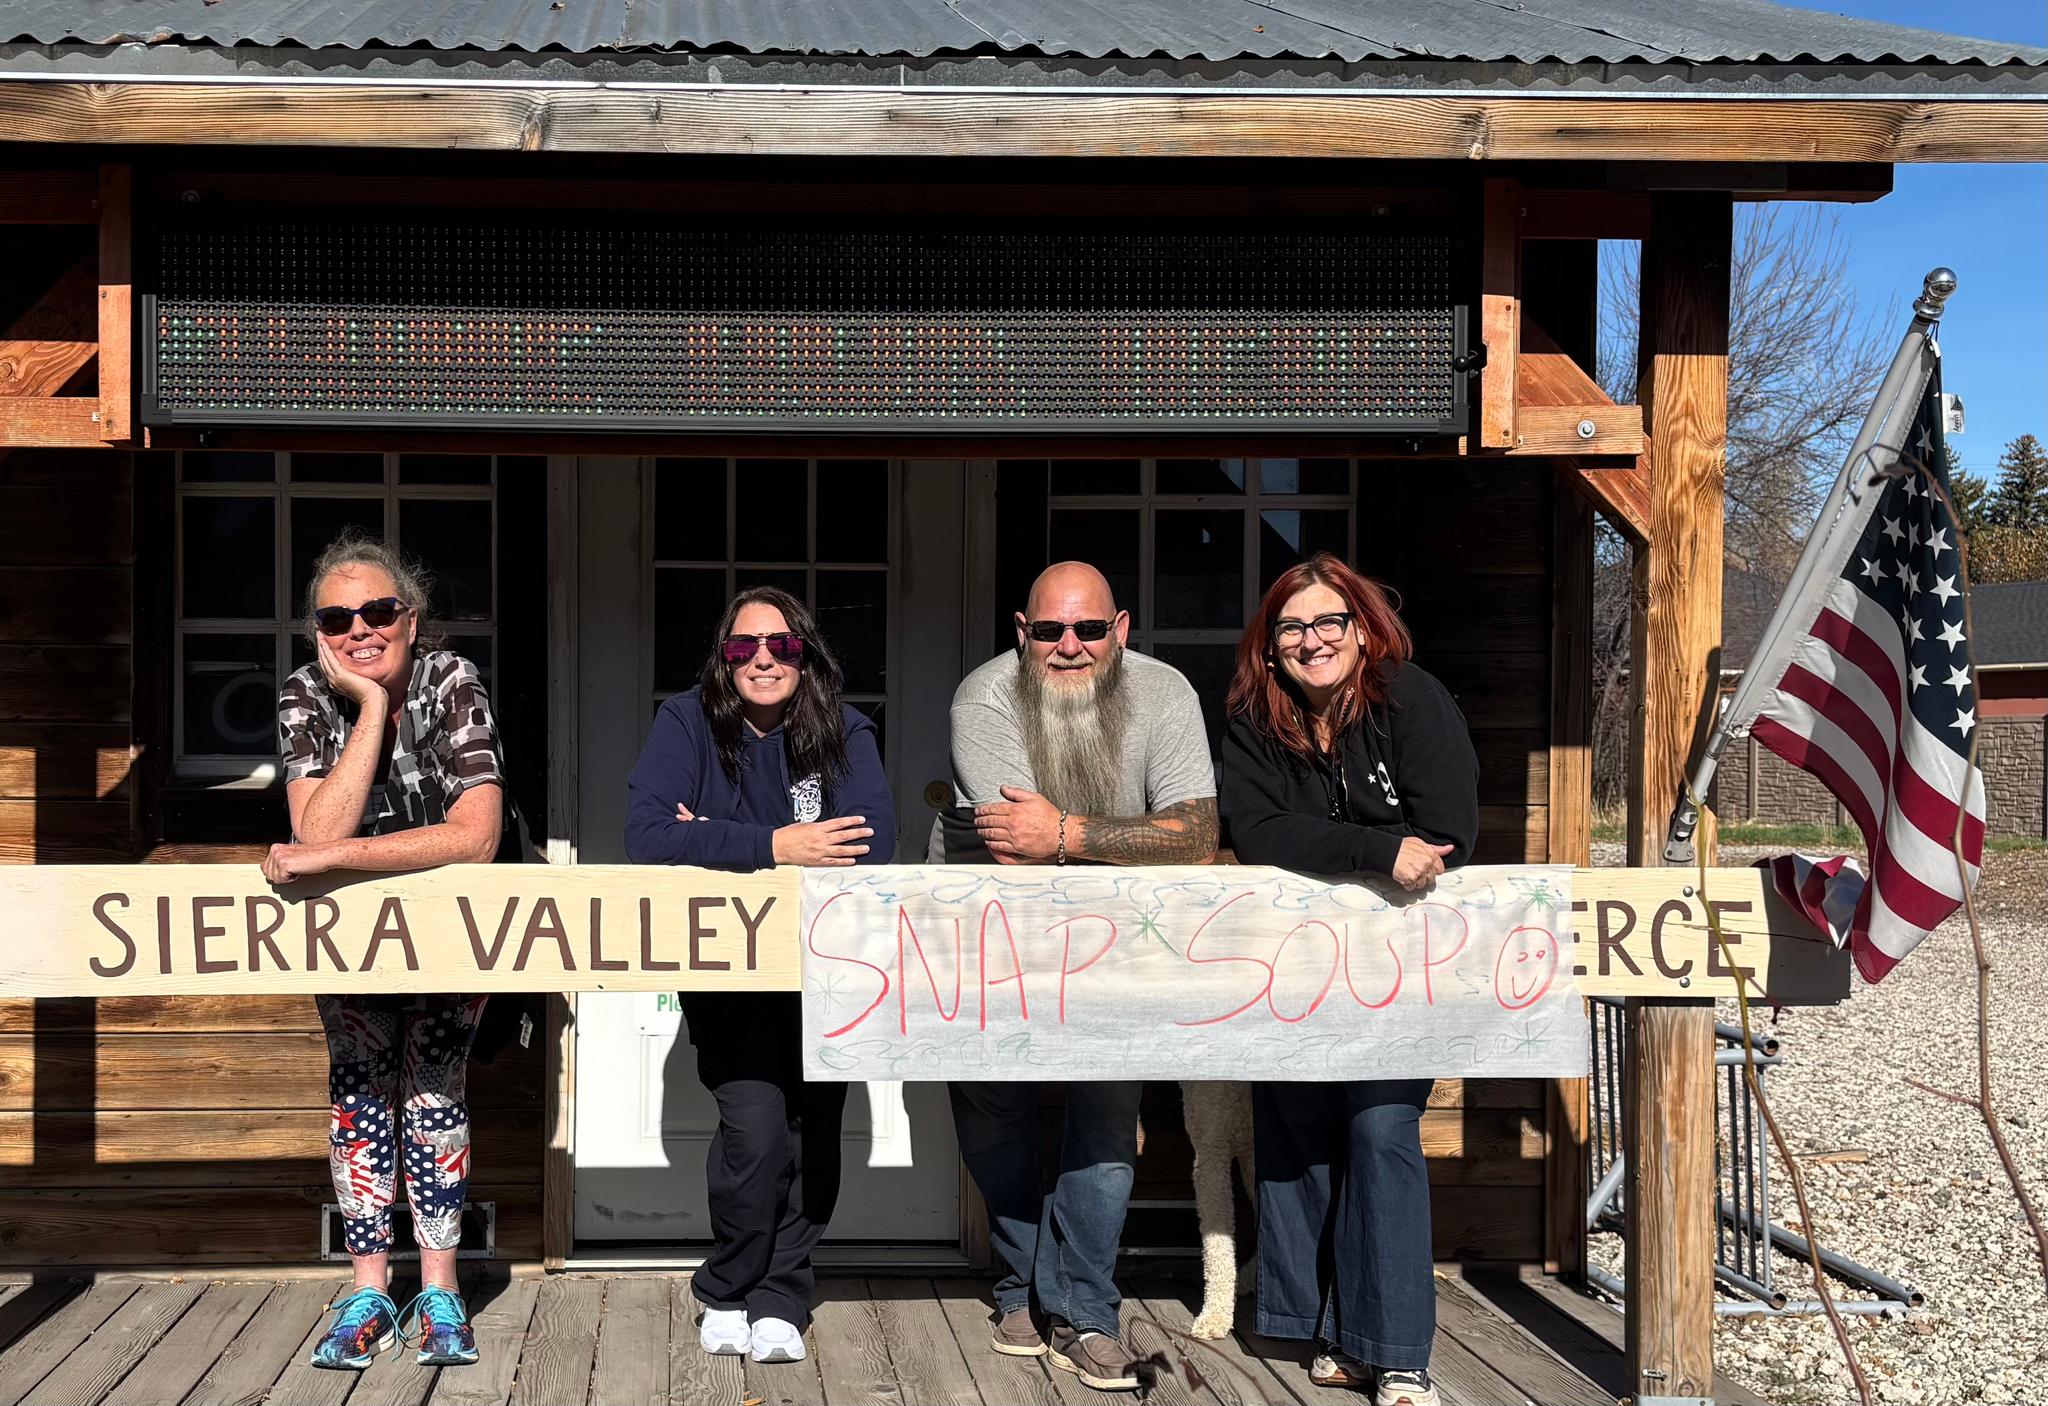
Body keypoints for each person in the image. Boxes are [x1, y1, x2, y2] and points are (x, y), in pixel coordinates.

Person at [932, 561, 1218, 1394]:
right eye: (1049, 630)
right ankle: (1022, 1285)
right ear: (1021, 633)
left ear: (1120, 630)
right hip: (989, 928)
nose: (1068, 646)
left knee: (1105, 1112)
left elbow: (1196, 831)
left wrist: (1066, 832)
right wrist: (1104, 834)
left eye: (1088, 630)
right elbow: (1011, 843)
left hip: (1119, 941)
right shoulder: (983, 696)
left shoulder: (1165, 695)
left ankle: (1085, 1309)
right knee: (993, 1109)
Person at [1218, 552, 1478, 1406]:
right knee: (1299, 1129)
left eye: (1329, 622)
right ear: (1271, 645)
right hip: (1289, 962)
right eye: (1292, 628)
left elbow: (1442, 835)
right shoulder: (1256, 718)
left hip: (1400, 960)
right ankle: (1327, 1328)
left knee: (1379, 1127)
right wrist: (1371, 849)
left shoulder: (1413, 701)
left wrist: (1359, 850)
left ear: (1363, 629)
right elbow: (1258, 830)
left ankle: (1397, 1347)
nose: (1311, 639)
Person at [624, 586, 895, 1366]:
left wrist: (708, 836)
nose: (763, 659)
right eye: (744, 647)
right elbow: (645, 835)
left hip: (829, 968)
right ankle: (727, 1287)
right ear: (724, 657)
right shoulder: (686, 722)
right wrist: (780, 845)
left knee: (815, 1135)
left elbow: (871, 843)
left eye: (780, 644)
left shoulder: (843, 728)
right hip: (730, 970)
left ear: (804, 652)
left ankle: (783, 1294)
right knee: (755, 1132)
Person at [268, 531, 505, 1371]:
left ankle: (439, 1288)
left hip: (449, 932)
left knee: (435, 1093)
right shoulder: (306, 696)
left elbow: (476, 838)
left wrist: (334, 860)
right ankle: (371, 1290)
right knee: (359, 1098)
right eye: (337, 618)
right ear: (317, 633)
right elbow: (315, 824)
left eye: (379, 611)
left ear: (413, 617)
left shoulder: (452, 682)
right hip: (348, 942)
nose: (359, 628)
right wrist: (367, 708)